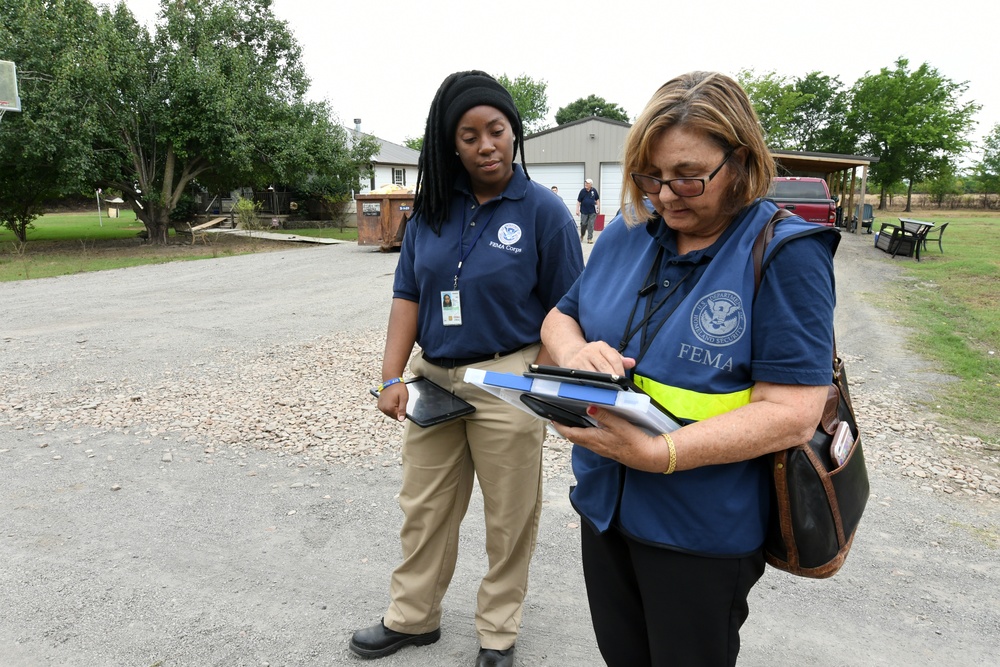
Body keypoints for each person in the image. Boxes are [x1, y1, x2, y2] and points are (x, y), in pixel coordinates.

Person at [539, 71, 840, 667]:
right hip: (605, 504)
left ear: (744, 160)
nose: (666, 194)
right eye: (651, 176)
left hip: (699, 531)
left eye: (688, 176)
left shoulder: (785, 255)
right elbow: (557, 318)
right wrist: (573, 355)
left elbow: (792, 414)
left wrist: (661, 455)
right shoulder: (628, 233)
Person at [350, 70, 584, 667]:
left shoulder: (544, 213)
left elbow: (569, 310)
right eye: (470, 134)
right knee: (423, 506)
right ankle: (413, 616)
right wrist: (389, 376)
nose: (486, 145)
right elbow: (408, 294)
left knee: (510, 515)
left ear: (514, 133)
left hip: (507, 380)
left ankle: (498, 633)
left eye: (497, 131)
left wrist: (553, 388)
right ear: (449, 143)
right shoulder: (429, 209)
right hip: (433, 381)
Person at [576, 178, 600, 243]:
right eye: (585, 183)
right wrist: (577, 210)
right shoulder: (582, 191)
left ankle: (590, 238)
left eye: (587, 183)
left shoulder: (594, 191)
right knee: (583, 224)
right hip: (584, 211)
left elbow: (597, 199)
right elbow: (578, 201)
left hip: (592, 211)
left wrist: (598, 208)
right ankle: (582, 235)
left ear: (591, 184)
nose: (586, 184)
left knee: (591, 225)